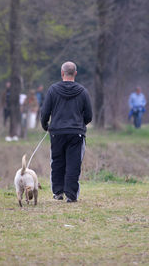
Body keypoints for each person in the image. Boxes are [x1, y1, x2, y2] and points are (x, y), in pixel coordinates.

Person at [40, 61, 93, 203]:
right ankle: (71, 195)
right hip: (76, 133)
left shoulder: (52, 90)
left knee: (57, 162)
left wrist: (46, 126)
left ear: (62, 73)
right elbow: (89, 115)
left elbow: (44, 112)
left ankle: (58, 192)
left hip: (57, 132)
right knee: (73, 164)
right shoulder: (82, 91)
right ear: (75, 73)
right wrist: (80, 124)